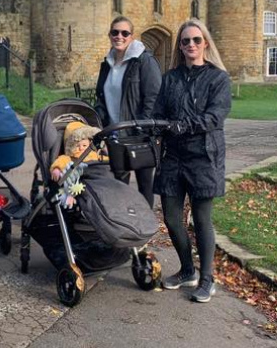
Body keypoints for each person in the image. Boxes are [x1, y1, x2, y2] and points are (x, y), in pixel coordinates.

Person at [151, 19, 231, 303]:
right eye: (185, 41)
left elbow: (215, 116)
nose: (191, 45)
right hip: (173, 156)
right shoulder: (170, 78)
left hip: (204, 156)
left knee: (201, 219)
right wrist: (154, 127)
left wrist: (183, 125)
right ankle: (187, 270)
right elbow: (159, 111)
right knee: (172, 219)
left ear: (205, 43)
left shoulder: (218, 78)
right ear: (180, 46)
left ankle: (207, 278)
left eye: (196, 40)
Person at [93, 16, 162, 207]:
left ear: (132, 36)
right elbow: (101, 97)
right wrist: (98, 123)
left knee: (145, 185)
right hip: (115, 134)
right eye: (115, 32)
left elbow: (153, 97)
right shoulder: (107, 64)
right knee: (119, 185)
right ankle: (124, 221)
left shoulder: (144, 61)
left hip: (139, 134)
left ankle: (145, 222)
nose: (119, 36)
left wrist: (142, 127)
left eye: (125, 33)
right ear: (109, 35)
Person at [50, 121, 108, 207]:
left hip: (97, 177)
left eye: (84, 145)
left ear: (90, 144)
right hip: (78, 181)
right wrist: (57, 169)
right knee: (70, 171)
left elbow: (106, 160)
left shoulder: (96, 155)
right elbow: (61, 161)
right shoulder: (70, 158)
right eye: (77, 146)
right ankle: (67, 197)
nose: (81, 148)